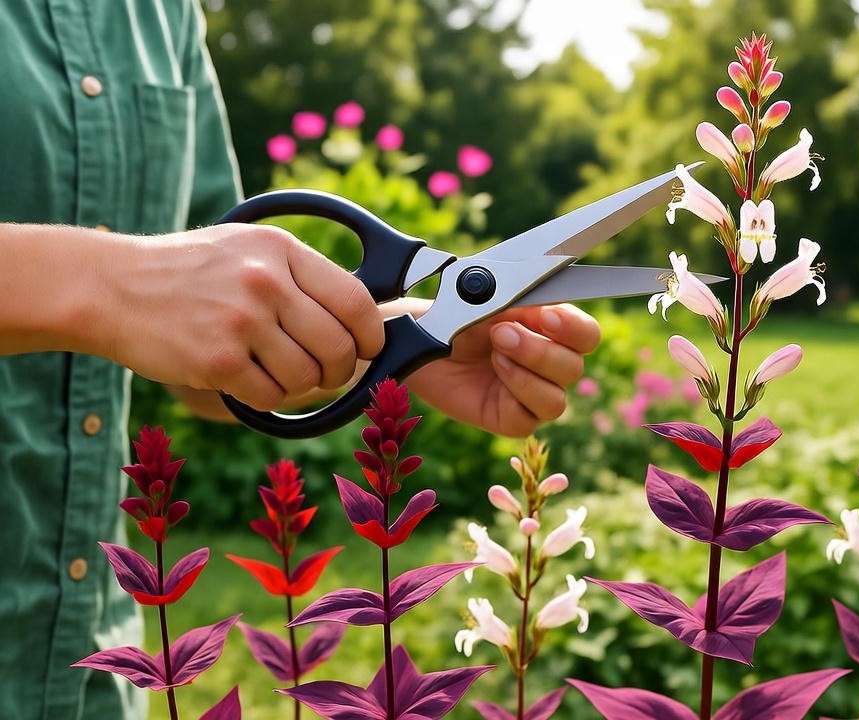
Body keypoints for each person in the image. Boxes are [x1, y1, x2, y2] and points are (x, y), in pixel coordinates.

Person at [0, 2, 599, 718]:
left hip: (91, 679)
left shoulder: (159, 17)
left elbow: (213, 360)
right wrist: (111, 283)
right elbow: (149, 292)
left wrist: (403, 339)